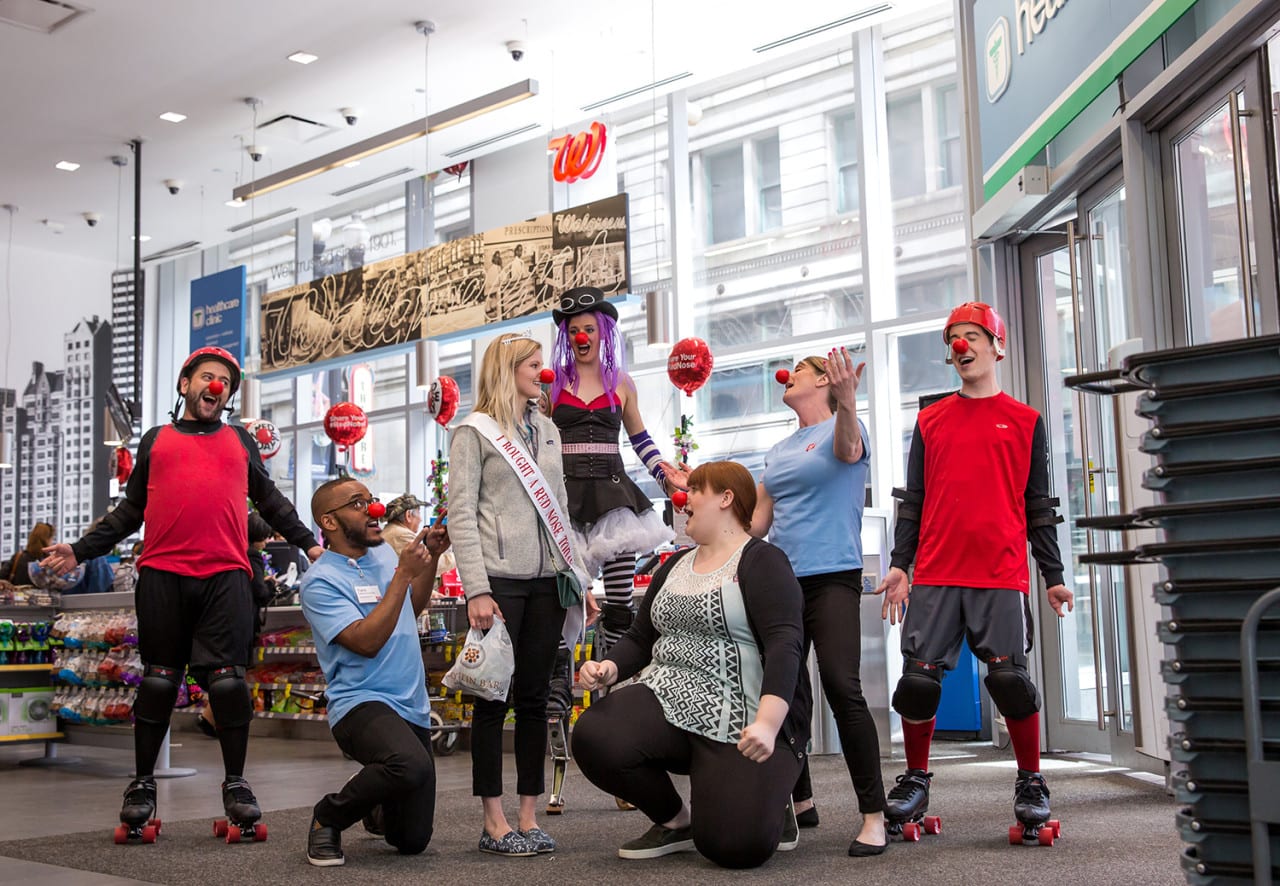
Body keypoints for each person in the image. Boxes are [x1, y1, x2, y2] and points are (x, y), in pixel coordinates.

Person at [40, 346, 324, 840]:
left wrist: (308, 544)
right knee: (158, 681)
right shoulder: (156, 441)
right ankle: (142, 786)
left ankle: (236, 783)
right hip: (163, 576)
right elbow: (128, 513)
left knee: (228, 684)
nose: (217, 387)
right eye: (208, 377)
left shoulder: (239, 442)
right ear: (184, 384)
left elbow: (271, 501)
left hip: (226, 576)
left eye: (226, 384)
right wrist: (80, 551)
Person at [874, 301, 1074, 841]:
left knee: (1010, 682)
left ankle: (1031, 781)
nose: (960, 346)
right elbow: (912, 500)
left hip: (1000, 572)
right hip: (937, 572)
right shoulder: (931, 420)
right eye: (954, 338)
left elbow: (1039, 505)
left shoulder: (1027, 421)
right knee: (917, 684)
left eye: (971, 335)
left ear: (996, 346)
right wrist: (900, 564)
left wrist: (1052, 574)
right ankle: (916, 779)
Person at [572, 461, 809, 869]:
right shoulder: (674, 566)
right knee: (595, 735)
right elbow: (641, 639)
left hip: (743, 714)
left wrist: (769, 724)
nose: (684, 501)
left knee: (736, 847)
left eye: (695, 490)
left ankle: (771, 795)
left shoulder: (762, 561)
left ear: (726, 498)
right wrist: (609, 668)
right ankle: (677, 822)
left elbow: (786, 645)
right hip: (669, 696)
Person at [544, 285, 685, 812]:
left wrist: (667, 475)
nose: (581, 336)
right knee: (563, 615)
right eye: (573, 328)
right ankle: (561, 723)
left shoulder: (620, 382)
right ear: (566, 336)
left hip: (616, 504)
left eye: (589, 328)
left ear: (603, 333)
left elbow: (642, 441)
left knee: (621, 615)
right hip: (562, 508)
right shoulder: (549, 385)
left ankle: (616, 724)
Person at [751, 347, 888, 856]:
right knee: (783, 689)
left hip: (833, 577)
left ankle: (873, 815)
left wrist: (849, 402)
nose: (787, 375)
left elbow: (849, 451)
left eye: (800, 371)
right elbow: (758, 523)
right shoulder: (780, 450)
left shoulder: (846, 429)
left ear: (824, 383)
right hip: (784, 580)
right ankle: (800, 801)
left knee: (840, 684)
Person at [449, 332, 580, 857]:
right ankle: (493, 821)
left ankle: (528, 816)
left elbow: (561, 509)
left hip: (548, 582)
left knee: (534, 702)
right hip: (498, 584)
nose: (542, 372)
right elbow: (461, 514)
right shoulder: (473, 432)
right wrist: (476, 589)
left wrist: (578, 576)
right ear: (508, 369)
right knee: (490, 700)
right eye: (532, 364)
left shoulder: (547, 429)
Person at [300, 477, 450, 867]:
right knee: (410, 764)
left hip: (410, 703)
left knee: (411, 839)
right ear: (329, 522)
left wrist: (430, 558)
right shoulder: (319, 582)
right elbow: (366, 641)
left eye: (372, 500)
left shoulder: (383, 553)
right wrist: (402, 575)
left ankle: (377, 803)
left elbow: (409, 609)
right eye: (358, 503)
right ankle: (328, 817)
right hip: (360, 703)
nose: (374, 510)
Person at [196, 513, 277, 737]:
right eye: (265, 536)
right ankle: (213, 719)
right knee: (234, 672)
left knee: (224, 672)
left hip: (218, 622)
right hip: (242, 623)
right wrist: (272, 586)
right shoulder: (254, 556)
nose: (267, 541)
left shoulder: (230, 555)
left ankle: (211, 717)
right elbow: (259, 593)